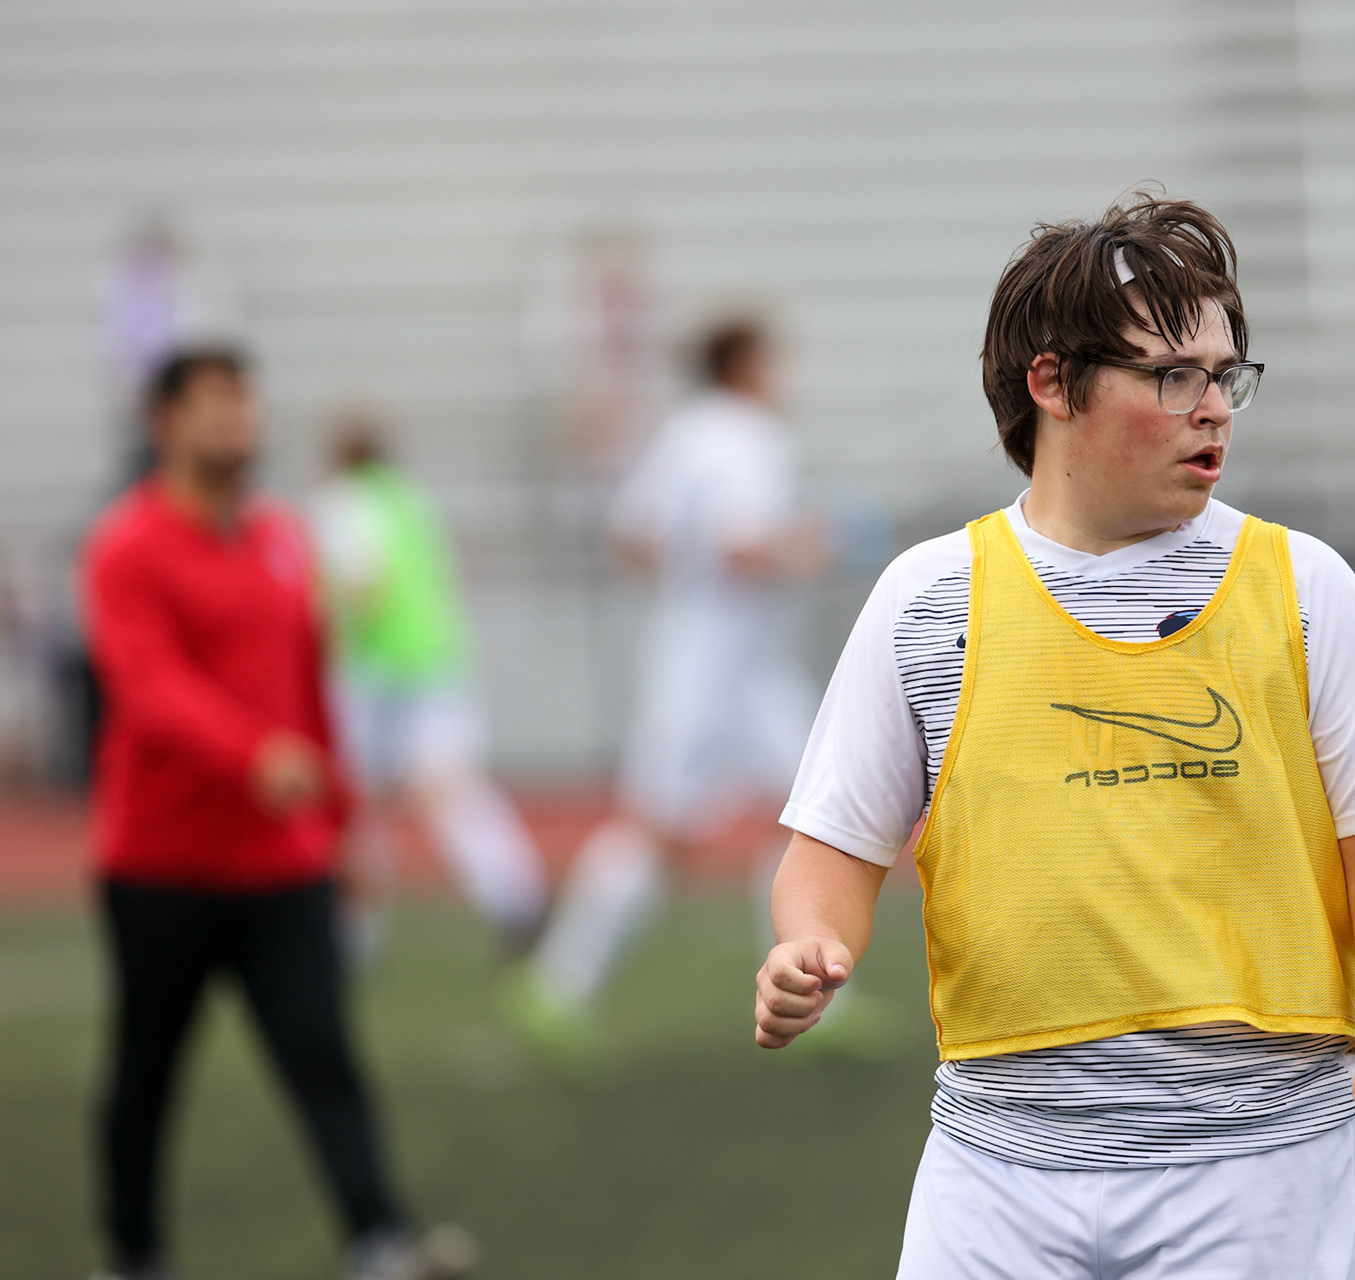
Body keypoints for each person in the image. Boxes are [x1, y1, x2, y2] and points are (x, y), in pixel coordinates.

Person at [754, 193, 1355, 1278]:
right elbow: (834, 850)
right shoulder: (927, 598)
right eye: (1174, 374)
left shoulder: (1306, 587)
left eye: (1228, 376)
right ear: (1052, 381)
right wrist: (806, 943)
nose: (1213, 406)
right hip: (994, 1168)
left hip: (1262, 1165)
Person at [81, 348, 473, 1280]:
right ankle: (134, 1253)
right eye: (216, 404)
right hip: (161, 867)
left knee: (324, 1055)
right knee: (145, 1074)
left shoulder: (283, 538)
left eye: (246, 403)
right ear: (163, 422)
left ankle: (378, 1238)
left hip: (283, 866)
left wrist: (344, 827)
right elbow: (149, 689)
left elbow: (311, 692)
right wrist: (252, 756)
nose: (240, 421)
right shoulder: (125, 547)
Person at [504, 318, 827, 1051]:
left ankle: (815, 992)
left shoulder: (683, 433)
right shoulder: (747, 435)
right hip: (719, 670)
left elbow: (633, 536)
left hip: (717, 660)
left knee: (814, 813)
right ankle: (557, 985)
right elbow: (742, 548)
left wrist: (688, 588)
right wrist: (810, 545)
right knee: (659, 829)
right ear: (744, 364)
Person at [311, 410, 549, 959]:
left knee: (352, 807)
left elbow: (363, 586)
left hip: (373, 673)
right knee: (453, 791)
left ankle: (353, 935)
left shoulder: (345, 502)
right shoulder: (411, 499)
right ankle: (519, 898)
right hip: (438, 662)